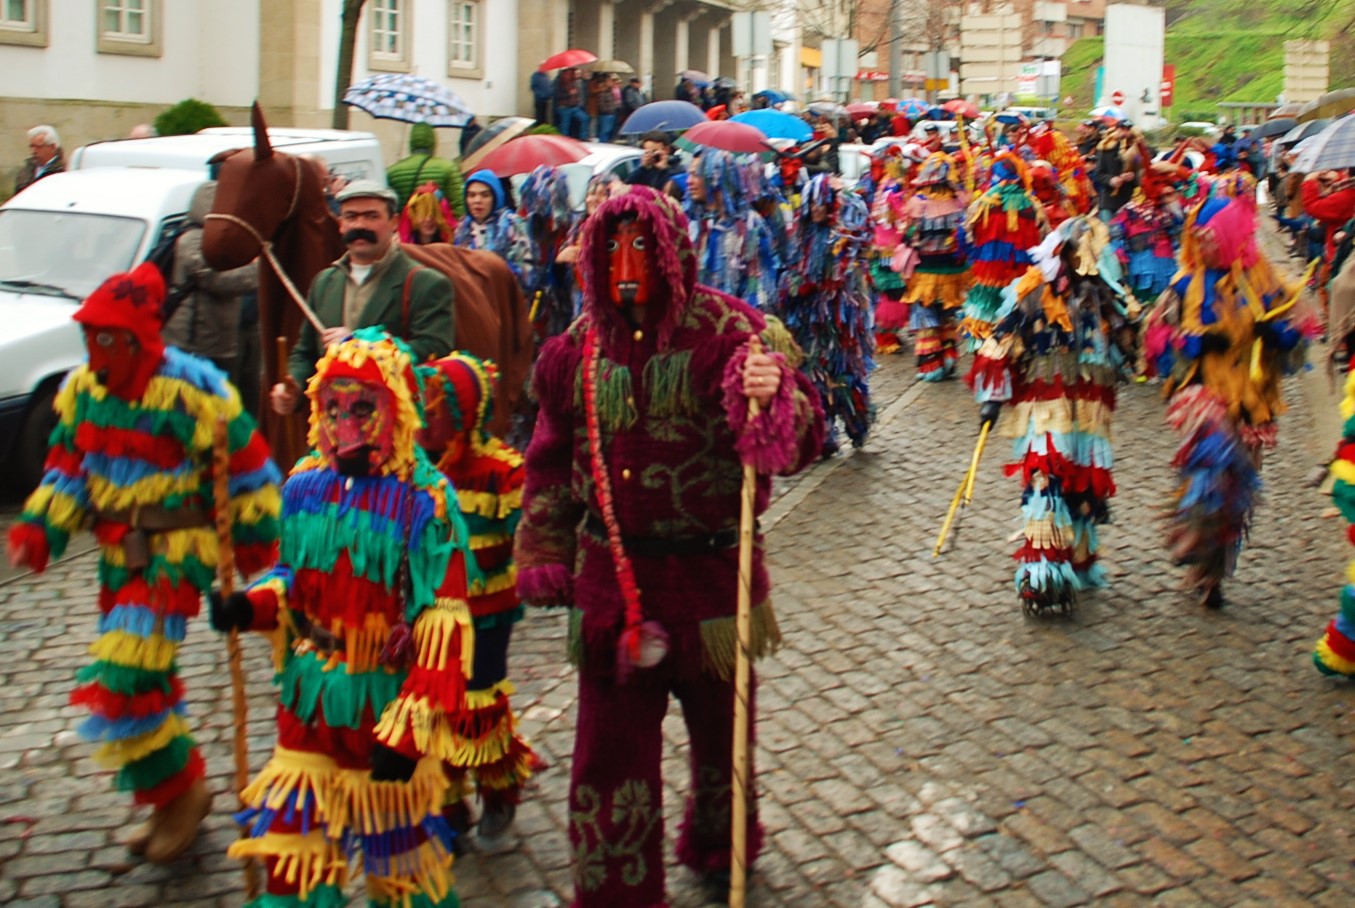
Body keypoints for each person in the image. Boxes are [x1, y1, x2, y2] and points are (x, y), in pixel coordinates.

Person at [515, 184, 824, 907]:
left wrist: (774, 392)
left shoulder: (735, 330)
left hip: (713, 584)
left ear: (672, 250)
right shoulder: (575, 348)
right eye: (611, 248)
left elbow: (801, 441)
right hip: (611, 591)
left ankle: (721, 844)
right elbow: (550, 454)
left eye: (641, 247)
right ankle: (617, 890)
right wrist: (543, 549)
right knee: (606, 755)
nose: (626, 265)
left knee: (723, 743)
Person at [7, 262, 282, 864]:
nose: (95, 350)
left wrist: (258, 538)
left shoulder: (194, 390)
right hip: (115, 556)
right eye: (90, 337)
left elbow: (249, 471)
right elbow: (69, 472)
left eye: (107, 338)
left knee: (124, 681)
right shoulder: (81, 391)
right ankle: (172, 797)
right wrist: (42, 527)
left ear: (138, 339)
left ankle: (181, 792)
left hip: (174, 556)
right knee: (148, 682)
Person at [212, 329, 467, 907]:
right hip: (307, 706)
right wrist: (248, 606)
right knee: (290, 868)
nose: (345, 425)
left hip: (383, 709)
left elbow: (442, 625)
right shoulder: (303, 484)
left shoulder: (425, 500)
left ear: (395, 409)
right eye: (332, 408)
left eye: (363, 408)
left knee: (404, 880)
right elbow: (290, 580)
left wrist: (407, 736)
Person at [1144, 175, 1315, 608]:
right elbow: (1157, 338)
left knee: (1236, 489)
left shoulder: (1260, 279)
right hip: (1204, 394)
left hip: (1250, 398)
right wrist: (1195, 343)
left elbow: (1296, 334)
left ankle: (1213, 571)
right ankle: (1195, 544)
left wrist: (1274, 333)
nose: (1202, 246)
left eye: (1210, 238)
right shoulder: (1184, 285)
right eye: (1197, 238)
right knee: (1211, 468)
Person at [967, 217, 1137, 615]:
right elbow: (1001, 340)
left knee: (1083, 485)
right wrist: (991, 397)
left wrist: (1132, 331)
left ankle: (1078, 558)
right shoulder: (1033, 294)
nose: (1086, 266)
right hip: (1043, 408)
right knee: (1045, 478)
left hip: (1090, 411)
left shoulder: (1103, 299)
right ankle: (1043, 574)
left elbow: (1128, 349)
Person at [417, 352, 539, 838]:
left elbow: (529, 534)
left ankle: (497, 787)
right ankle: (445, 805)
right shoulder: (414, 471)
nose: (424, 418)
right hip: (431, 612)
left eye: (435, 408)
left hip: (488, 615)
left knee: (480, 702)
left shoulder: (502, 470)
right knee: (432, 705)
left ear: (462, 413)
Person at [272, 180, 455, 416]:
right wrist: (293, 387)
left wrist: (360, 344)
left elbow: (434, 350)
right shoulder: (324, 283)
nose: (360, 225)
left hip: (398, 429)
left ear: (394, 223)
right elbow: (306, 351)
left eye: (371, 216)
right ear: (340, 224)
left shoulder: (426, 283)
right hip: (334, 428)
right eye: (351, 217)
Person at [778, 174, 876, 455]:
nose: (816, 209)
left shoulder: (843, 237)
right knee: (813, 374)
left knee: (844, 373)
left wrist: (816, 282)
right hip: (809, 321)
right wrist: (792, 286)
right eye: (811, 204)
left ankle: (857, 422)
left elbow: (844, 273)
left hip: (840, 322)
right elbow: (794, 267)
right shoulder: (803, 235)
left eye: (821, 203)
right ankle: (822, 433)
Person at [161, 181, 260, 382]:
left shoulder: (218, 238)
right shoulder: (193, 239)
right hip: (194, 341)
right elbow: (216, 279)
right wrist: (259, 271)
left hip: (216, 338)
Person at [962, 151, 1049, 345]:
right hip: (1022, 270)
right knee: (1017, 308)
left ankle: (984, 344)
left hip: (989, 269)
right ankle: (1014, 344)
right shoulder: (1032, 204)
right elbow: (1044, 236)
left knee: (987, 305)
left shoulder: (983, 202)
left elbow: (968, 232)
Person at [900, 152, 972, 381]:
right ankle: (949, 357)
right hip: (955, 272)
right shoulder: (960, 204)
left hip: (926, 272)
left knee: (926, 315)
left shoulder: (919, 205)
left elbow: (908, 236)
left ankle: (932, 365)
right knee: (948, 314)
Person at [686, 148, 780, 311]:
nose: (688, 181)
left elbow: (758, 287)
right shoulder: (695, 225)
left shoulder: (749, 225)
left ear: (715, 179)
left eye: (695, 175)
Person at [453, 170, 537, 292]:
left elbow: (526, 270)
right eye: (472, 195)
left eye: (485, 195)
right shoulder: (463, 229)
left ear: (495, 197)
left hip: (505, 298)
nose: (477, 200)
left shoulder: (511, 223)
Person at [386, 121, 467, 216]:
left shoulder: (392, 172)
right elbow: (459, 204)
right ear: (433, 142)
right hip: (437, 227)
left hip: (404, 228)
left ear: (411, 142)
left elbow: (389, 208)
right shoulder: (448, 167)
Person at [1092, 120, 1142, 220]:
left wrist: (1133, 177)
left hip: (1129, 200)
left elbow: (1142, 172)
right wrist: (1111, 180)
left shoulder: (1137, 149)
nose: (1125, 132)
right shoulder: (1106, 148)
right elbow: (1098, 174)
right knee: (1108, 232)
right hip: (1109, 200)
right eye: (1122, 129)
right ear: (1117, 130)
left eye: (1128, 129)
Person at [398, 181, 458, 245]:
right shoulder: (402, 247)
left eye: (434, 213)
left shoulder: (453, 244)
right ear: (414, 216)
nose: (428, 219)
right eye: (423, 213)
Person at [15, 124, 64, 194]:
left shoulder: (62, 171)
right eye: (32, 146)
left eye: (39, 147)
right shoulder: (27, 169)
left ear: (53, 147)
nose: (33, 151)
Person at [554, 68, 588, 140]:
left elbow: (576, 93)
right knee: (565, 126)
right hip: (564, 107)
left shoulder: (572, 82)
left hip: (573, 106)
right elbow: (557, 95)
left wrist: (576, 97)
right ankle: (564, 140)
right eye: (569, 73)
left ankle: (583, 137)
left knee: (584, 118)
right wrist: (569, 93)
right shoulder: (558, 82)